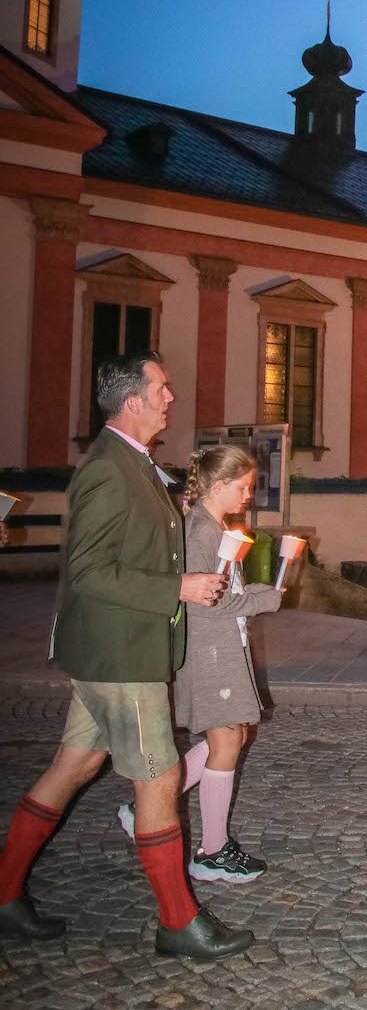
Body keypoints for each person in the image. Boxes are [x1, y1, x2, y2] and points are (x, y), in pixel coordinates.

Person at [0, 351, 253, 962]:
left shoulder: (135, 464)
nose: (170, 397)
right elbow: (87, 571)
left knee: (74, 767)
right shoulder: (108, 470)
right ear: (133, 401)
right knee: (161, 776)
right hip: (120, 651)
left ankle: (4, 898)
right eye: (162, 388)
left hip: (115, 648)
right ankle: (178, 920)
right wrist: (179, 588)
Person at [117, 445, 283, 882]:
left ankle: (146, 807)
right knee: (227, 740)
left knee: (234, 734)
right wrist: (263, 599)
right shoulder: (200, 532)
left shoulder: (213, 527)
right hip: (209, 651)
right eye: (243, 487)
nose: (249, 494)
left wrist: (251, 593)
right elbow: (207, 601)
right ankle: (212, 851)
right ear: (218, 485)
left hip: (223, 646)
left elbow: (222, 591)